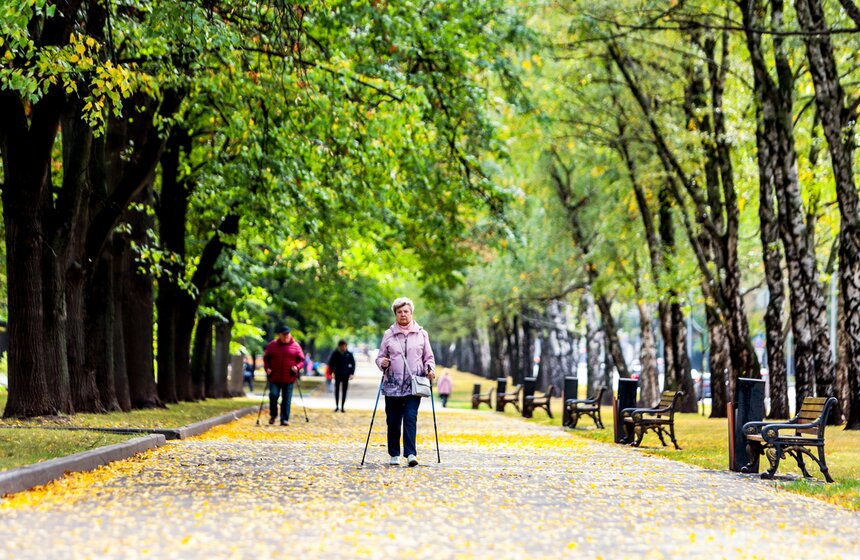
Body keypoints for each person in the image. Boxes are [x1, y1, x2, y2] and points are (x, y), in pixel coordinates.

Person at [375, 297, 436, 467]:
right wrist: (382, 363)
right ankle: (394, 453)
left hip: (413, 385)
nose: (403, 314)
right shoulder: (389, 334)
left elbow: (428, 357)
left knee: (410, 418)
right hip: (393, 385)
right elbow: (380, 357)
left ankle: (410, 453)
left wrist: (430, 369)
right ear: (395, 314)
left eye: (406, 311)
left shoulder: (422, 334)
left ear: (411, 313)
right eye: (399, 312)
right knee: (393, 421)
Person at [263, 325, 304, 426]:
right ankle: (273, 414)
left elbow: (301, 360)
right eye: (284, 335)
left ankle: (284, 419)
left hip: (289, 377)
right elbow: (266, 359)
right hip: (274, 377)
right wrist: (267, 368)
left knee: (286, 399)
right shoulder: (272, 345)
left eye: (287, 335)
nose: (286, 337)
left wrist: (297, 367)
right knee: (273, 395)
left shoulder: (296, 346)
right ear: (279, 335)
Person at [328, 340, 356, 412]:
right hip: (337, 374)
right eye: (341, 346)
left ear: (346, 346)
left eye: (344, 346)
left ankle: (342, 407)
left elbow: (353, 364)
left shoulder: (349, 354)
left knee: (344, 391)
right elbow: (331, 364)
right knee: (336, 390)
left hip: (346, 375)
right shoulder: (335, 353)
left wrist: (351, 373)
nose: (343, 347)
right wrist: (331, 373)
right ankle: (337, 406)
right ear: (339, 346)